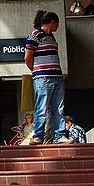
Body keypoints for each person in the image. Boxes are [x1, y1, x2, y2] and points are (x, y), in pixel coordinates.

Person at [24, 11, 66, 144]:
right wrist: (36, 70)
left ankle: (60, 136)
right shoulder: (35, 35)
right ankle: (38, 136)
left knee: (58, 108)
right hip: (43, 78)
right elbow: (27, 57)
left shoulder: (51, 37)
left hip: (56, 77)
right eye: (57, 23)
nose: (58, 26)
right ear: (52, 22)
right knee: (41, 107)